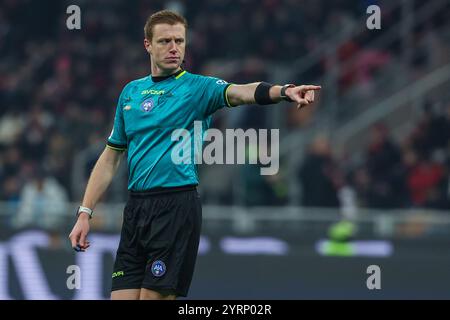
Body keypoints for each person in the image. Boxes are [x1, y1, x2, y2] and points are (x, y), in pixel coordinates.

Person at [68, 9, 320, 300]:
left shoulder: (199, 88)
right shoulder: (131, 93)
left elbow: (242, 92)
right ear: (147, 45)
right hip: (136, 210)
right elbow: (110, 158)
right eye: (164, 41)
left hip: (175, 206)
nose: (174, 48)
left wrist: (285, 91)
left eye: (179, 40)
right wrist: (85, 213)